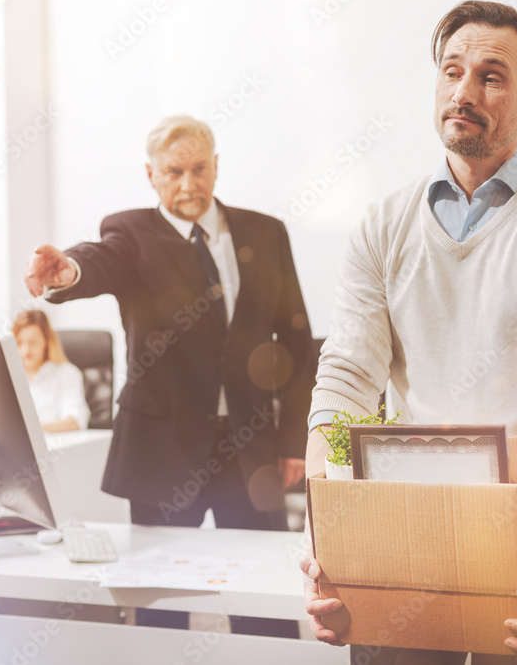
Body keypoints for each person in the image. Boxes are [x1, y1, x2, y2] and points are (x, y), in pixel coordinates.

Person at [301, 1, 517, 664]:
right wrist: (328, 522)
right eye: (451, 71)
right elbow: (346, 384)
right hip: (404, 524)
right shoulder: (381, 226)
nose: (463, 91)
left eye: (490, 76)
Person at [23, 115, 316, 637]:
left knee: (263, 599)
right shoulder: (131, 232)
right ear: (151, 175)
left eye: (200, 169)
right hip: (163, 447)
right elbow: (100, 260)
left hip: (249, 450)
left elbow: (296, 344)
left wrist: (293, 441)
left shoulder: (265, 232)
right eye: (174, 171)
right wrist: (69, 271)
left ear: (216, 166)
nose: (188, 184)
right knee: (160, 603)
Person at [12, 309, 90, 433]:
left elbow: (76, 421)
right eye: (19, 342)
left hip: (56, 447)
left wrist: (31, 431)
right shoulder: (9, 376)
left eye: (33, 342)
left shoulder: (67, 373)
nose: (25, 350)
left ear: (47, 342)